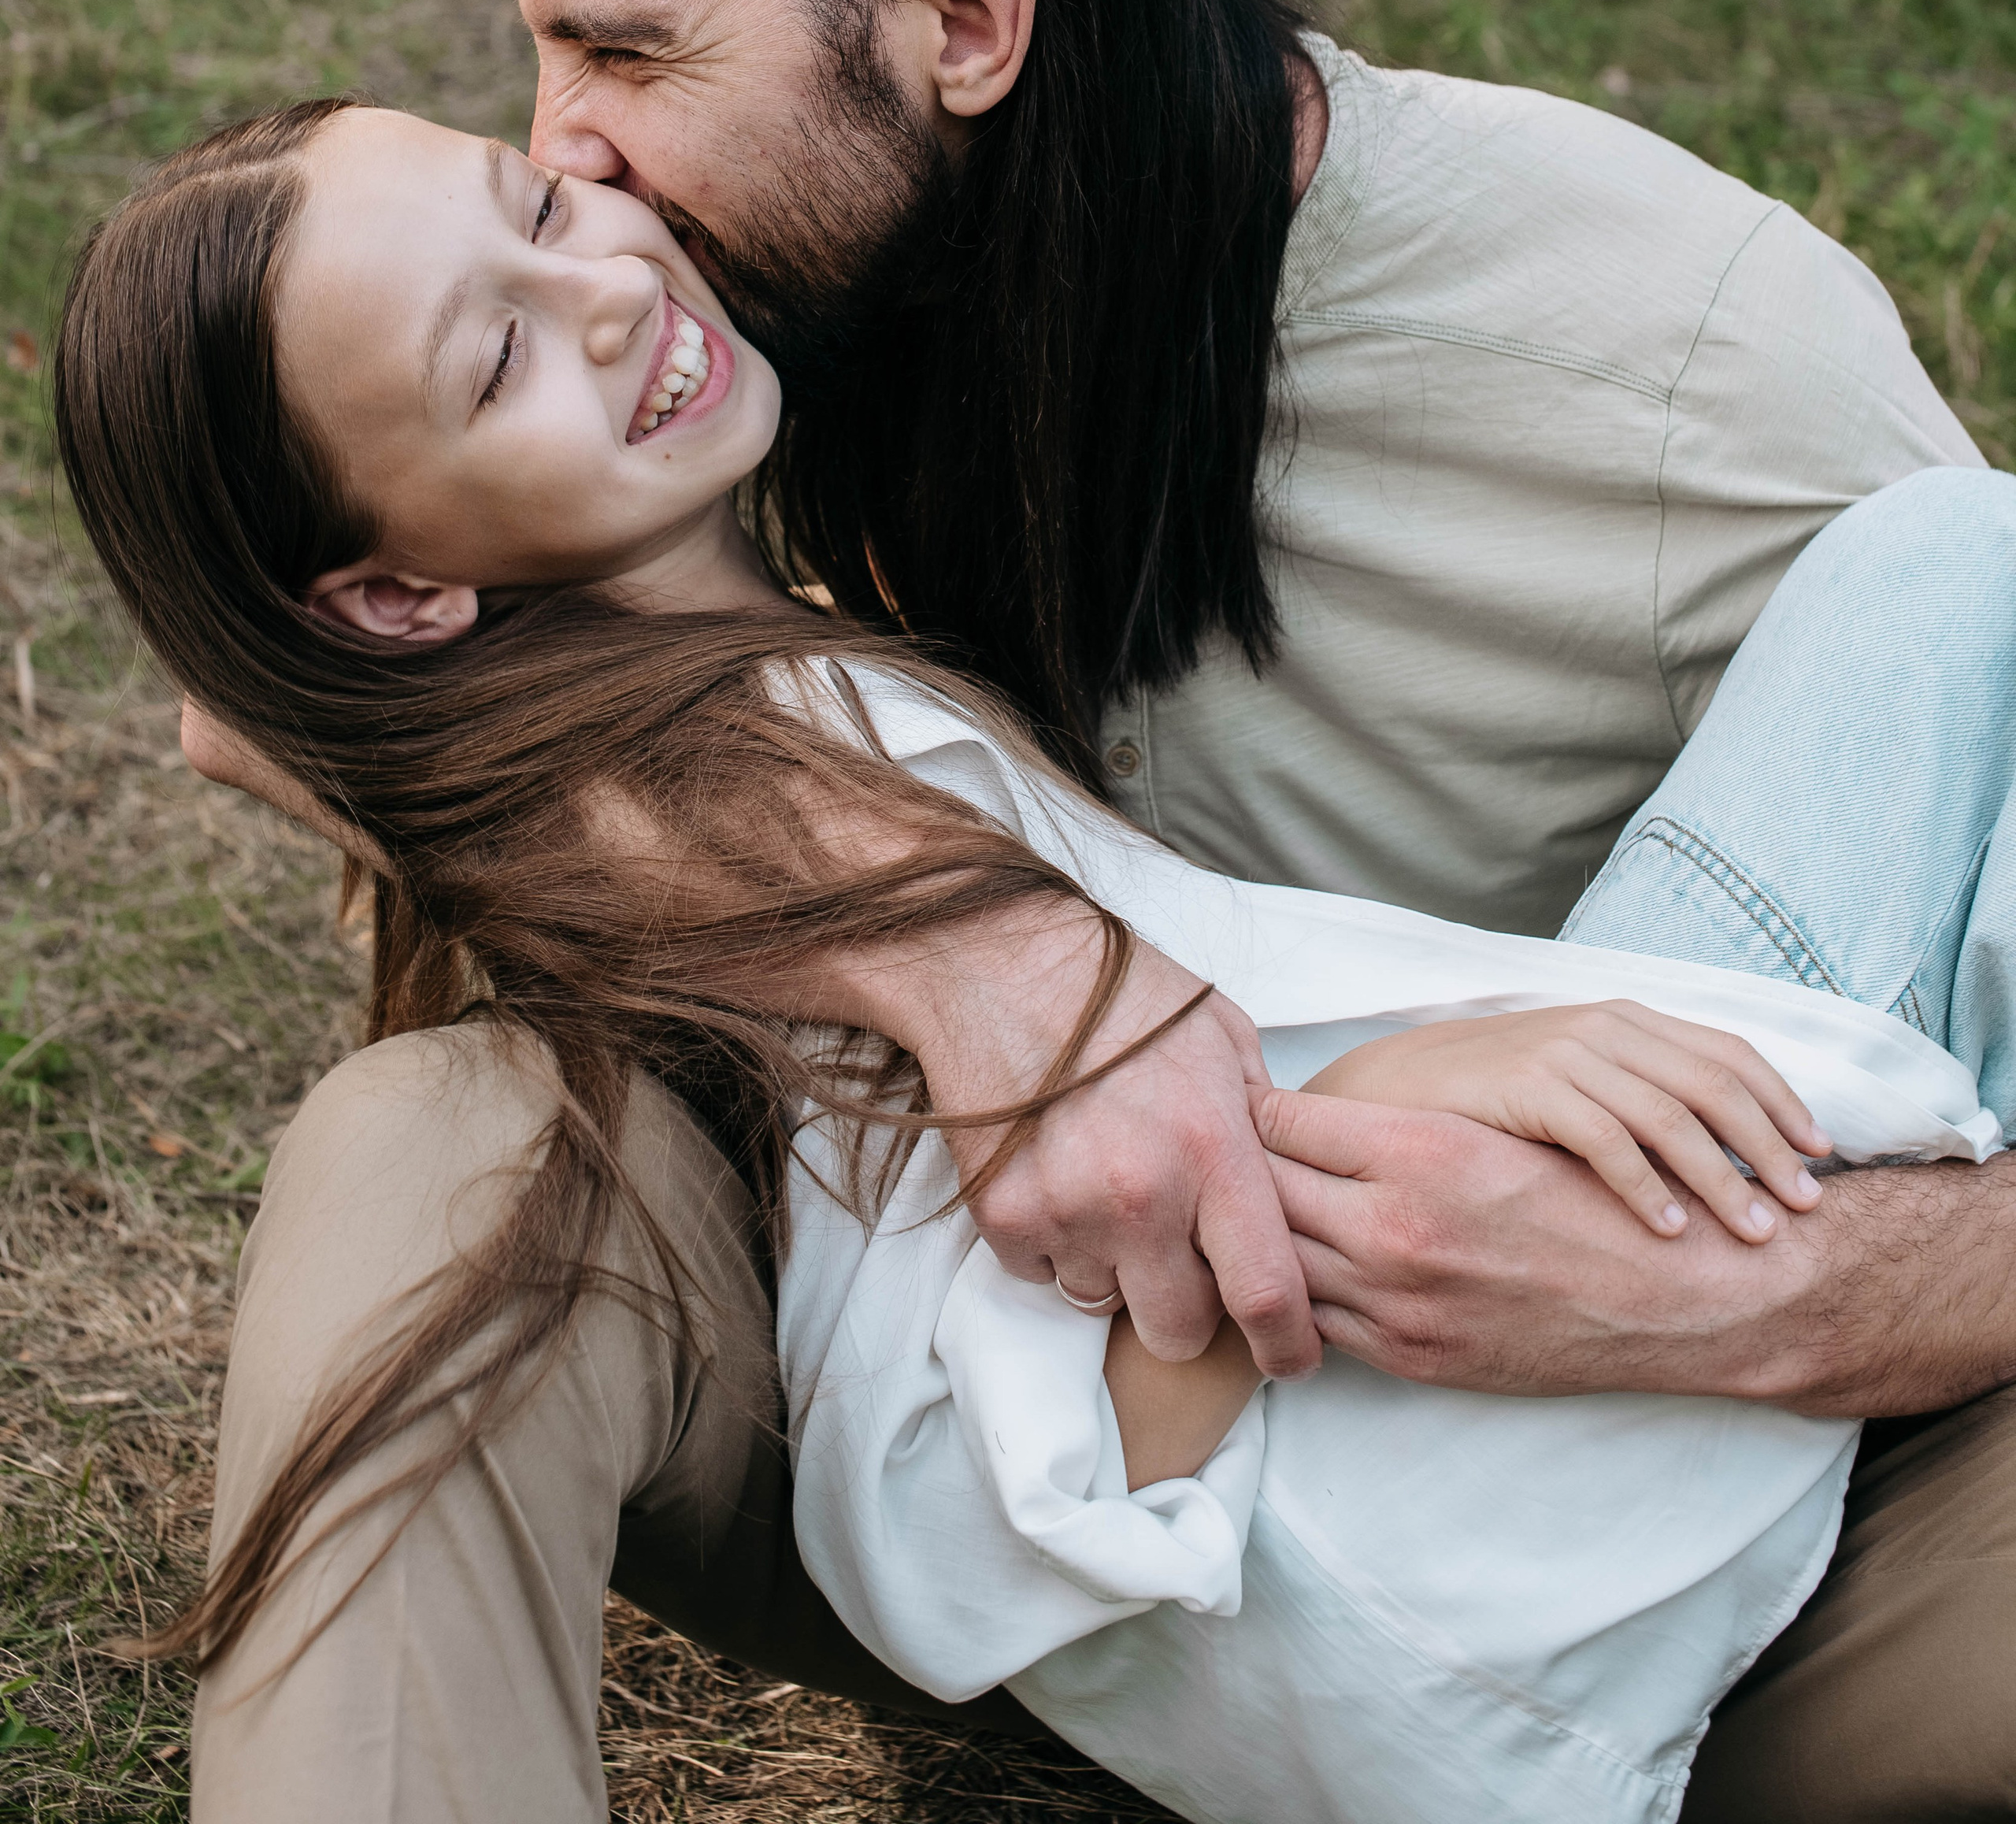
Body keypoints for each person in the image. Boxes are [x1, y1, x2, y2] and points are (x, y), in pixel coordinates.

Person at [60, 102, 2016, 1823]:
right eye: (496, 353)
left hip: (1550, 1490)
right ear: (397, 593)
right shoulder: (737, 795)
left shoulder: (765, 699)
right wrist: (1353, 1108)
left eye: (539, 201)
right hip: (1523, 1526)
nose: (600, 283)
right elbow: (965, 1466)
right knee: (1939, 576)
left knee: (1939, 581)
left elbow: (248, 717)